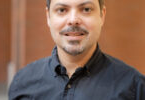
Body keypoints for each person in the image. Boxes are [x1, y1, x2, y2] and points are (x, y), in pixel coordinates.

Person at [8, 0, 145, 99]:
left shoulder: (135, 88)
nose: (73, 20)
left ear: (102, 15)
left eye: (86, 9)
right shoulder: (22, 83)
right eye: (62, 10)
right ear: (48, 16)